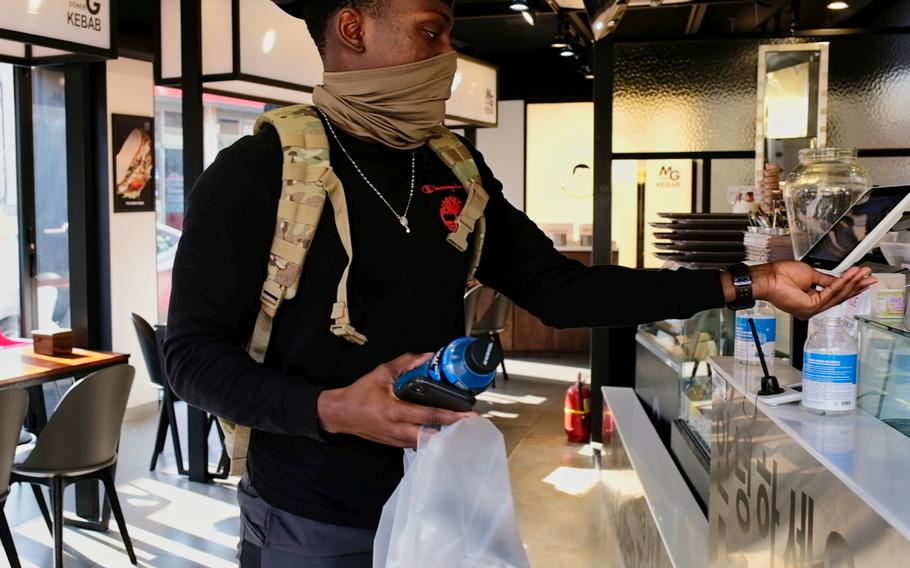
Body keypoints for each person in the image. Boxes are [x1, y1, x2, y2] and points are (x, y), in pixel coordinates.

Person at [163, 1, 876, 566]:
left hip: (439, 493)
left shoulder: (452, 169)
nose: (448, 57)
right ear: (353, 28)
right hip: (308, 517)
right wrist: (333, 408)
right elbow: (189, 358)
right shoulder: (256, 172)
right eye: (431, 32)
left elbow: (563, 290)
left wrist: (750, 282)